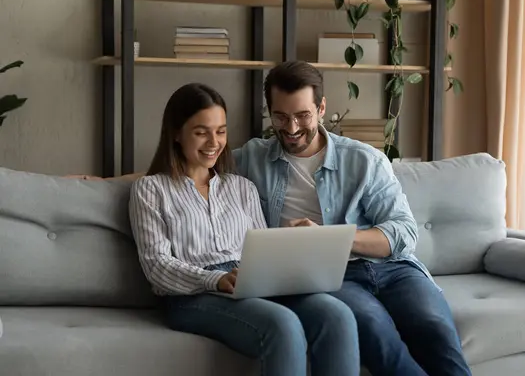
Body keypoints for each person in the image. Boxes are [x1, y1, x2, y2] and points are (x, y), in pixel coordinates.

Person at [232, 61, 472, 376]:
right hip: (334, 279)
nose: (291, 129)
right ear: (270, 111)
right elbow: (191, 166)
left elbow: (403, 233)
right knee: (374, 328)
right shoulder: (251, 158)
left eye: (302, 115)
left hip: (394, 271)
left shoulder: (364, 160)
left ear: (321, 108)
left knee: (435, 327)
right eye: (280, 116)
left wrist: (331, 239)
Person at [120, 83, 360, 376]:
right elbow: (157, 267)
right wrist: (216, 279)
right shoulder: (150, 190)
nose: (213, 142)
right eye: (201, 132)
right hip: (191, 296)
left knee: (336, 314)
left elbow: (261, 249)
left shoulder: (242, 187)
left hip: (248, 282)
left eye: (220, 131)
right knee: (282, 325)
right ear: (175, 133)